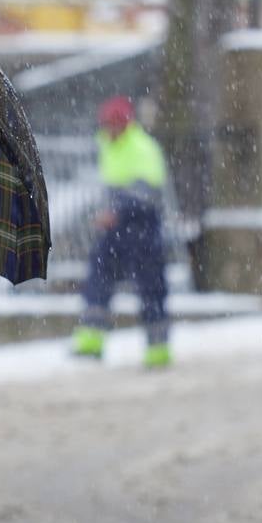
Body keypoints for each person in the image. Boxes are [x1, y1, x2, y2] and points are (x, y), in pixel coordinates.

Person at [71, 95, 172, 366]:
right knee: (99, 276)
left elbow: (148, 193)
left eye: (114, 124)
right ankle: (91, 339)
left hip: (142, 226)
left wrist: (117, 210)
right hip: (117, 227)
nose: (109, 129)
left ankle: (158, 349)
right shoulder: (107, 145)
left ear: (126, 124)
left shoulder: (143, 147)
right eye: (107, 124)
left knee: (151, 287)